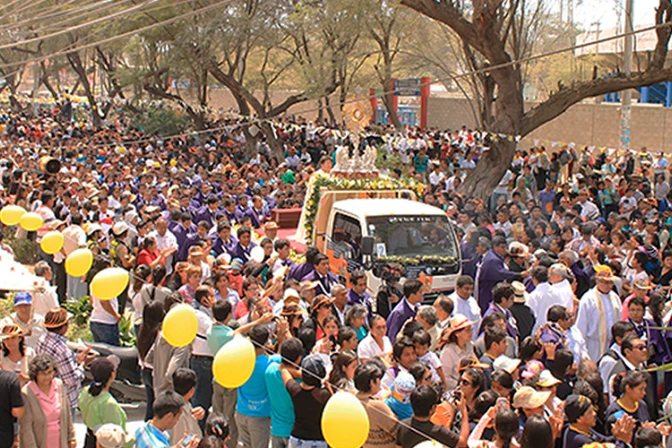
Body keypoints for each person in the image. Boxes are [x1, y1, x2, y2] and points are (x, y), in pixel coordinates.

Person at [36, 307, 90, 409]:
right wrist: (82, 365)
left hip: (46, 394)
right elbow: (71, 380)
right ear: (63, 327)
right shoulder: (62, 349)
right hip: (63, 401)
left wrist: (76, 357)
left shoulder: (42, 340)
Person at [19, 354, 75, 448]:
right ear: (35, 374)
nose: (47, 377)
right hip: (40, 443)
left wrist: (71, 437)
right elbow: (26, 427)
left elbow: (67, 413)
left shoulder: (58, 384)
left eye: (49, 372)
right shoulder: (27, 392)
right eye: (43, 374)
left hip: (60, 442)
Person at [396, 385, 469, 448]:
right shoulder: (438, 430)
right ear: (432, 408)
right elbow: (462, 442)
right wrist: (464, 412)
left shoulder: (403, 425)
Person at [79, 356, 128, 448]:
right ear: (112, 375)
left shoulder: (86, 391)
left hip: (89, 439)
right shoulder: (109, 403)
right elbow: (115, 435)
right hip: (104, 443)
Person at [235, 325, 272, 448]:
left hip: (241, 412)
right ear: (266, 342)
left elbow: (236, 333)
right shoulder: (269, 363)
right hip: (259, 417)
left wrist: (260, 321)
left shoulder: (240, 359)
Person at [283, 355, 331, 448]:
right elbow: (335, 404)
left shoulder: (294, 389)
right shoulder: (323, 395)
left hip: (297, 440)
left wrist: (301, 374)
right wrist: (327, 386)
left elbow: (285, 371)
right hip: (318, 441)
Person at [575, 267, 622, 361]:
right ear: (597, 282)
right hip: (593, 343)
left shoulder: (615, 298)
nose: (607, 285)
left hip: (611, 343)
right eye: (604, 282)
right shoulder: (588, 299)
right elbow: (581, 325)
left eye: (609, 282)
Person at [354, 362, 399, 448]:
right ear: (372, 383)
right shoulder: (377, 406)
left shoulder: (353, 400)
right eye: (379, 380)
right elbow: (397, 430)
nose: (380, 383)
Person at [476, 236, 518, 313]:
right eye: (502, 247)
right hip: (488, 292)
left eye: (506, 248)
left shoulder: (494, 256)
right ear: (495, 247)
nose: (504, 250)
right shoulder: (493, 259)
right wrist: (519, 275)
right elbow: (501, 273)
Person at [439, 314, 475, 390]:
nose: (471, 332)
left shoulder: (470, 345)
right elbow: (446, 377)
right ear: (457, 333)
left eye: (471, 329)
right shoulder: (448, 352)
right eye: (467, 330)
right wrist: (462, 385)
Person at [171, 368, 204, 444]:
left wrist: (196, 416)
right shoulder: (178, 414)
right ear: (192, 390)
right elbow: (181, 441)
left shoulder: (185, 403)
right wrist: (195, 440)